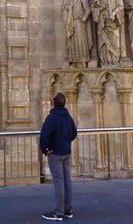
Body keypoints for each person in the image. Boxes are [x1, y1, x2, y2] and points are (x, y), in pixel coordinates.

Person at [39, 93, 78, 221]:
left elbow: (44, 135)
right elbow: (74, 132)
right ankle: (68, 209)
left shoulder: (52, 117)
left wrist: (45, 149)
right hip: (66, 152)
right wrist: (66, 142)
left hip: (55, 153)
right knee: (67, 181)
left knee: (58, 182)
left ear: (54, 103)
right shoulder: (68, 117)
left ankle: (58, 211)